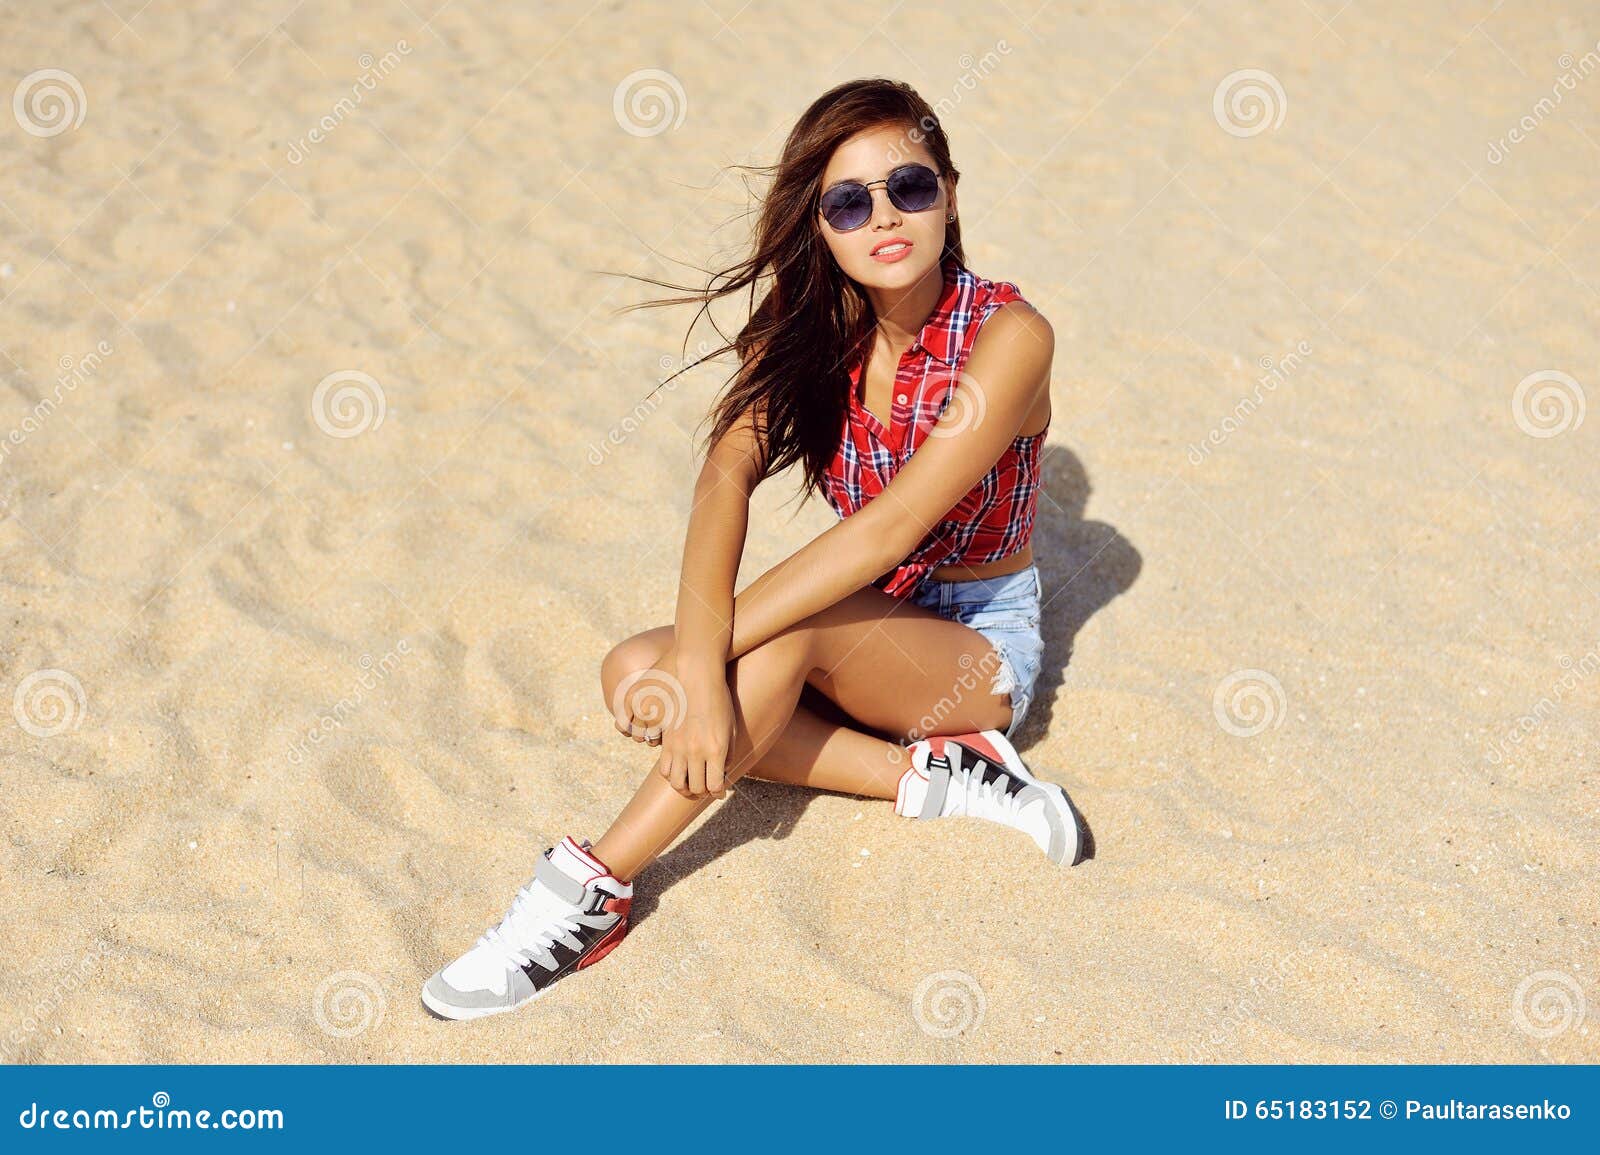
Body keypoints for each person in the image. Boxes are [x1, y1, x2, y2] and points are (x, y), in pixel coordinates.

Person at [421, 78, 1086, 1021]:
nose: (884, 218)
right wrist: (692, 660)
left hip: (975, 642)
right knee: (636, 671)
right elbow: (722, 477)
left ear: (951, 189)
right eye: (849, 202)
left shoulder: (1009, 336)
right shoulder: (811, 326)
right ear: (818, 222)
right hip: (862, 609)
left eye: (910, 186)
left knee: (762, 653)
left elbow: (890, 529)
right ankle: (940, 779)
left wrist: (710, 662)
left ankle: (589, 891)